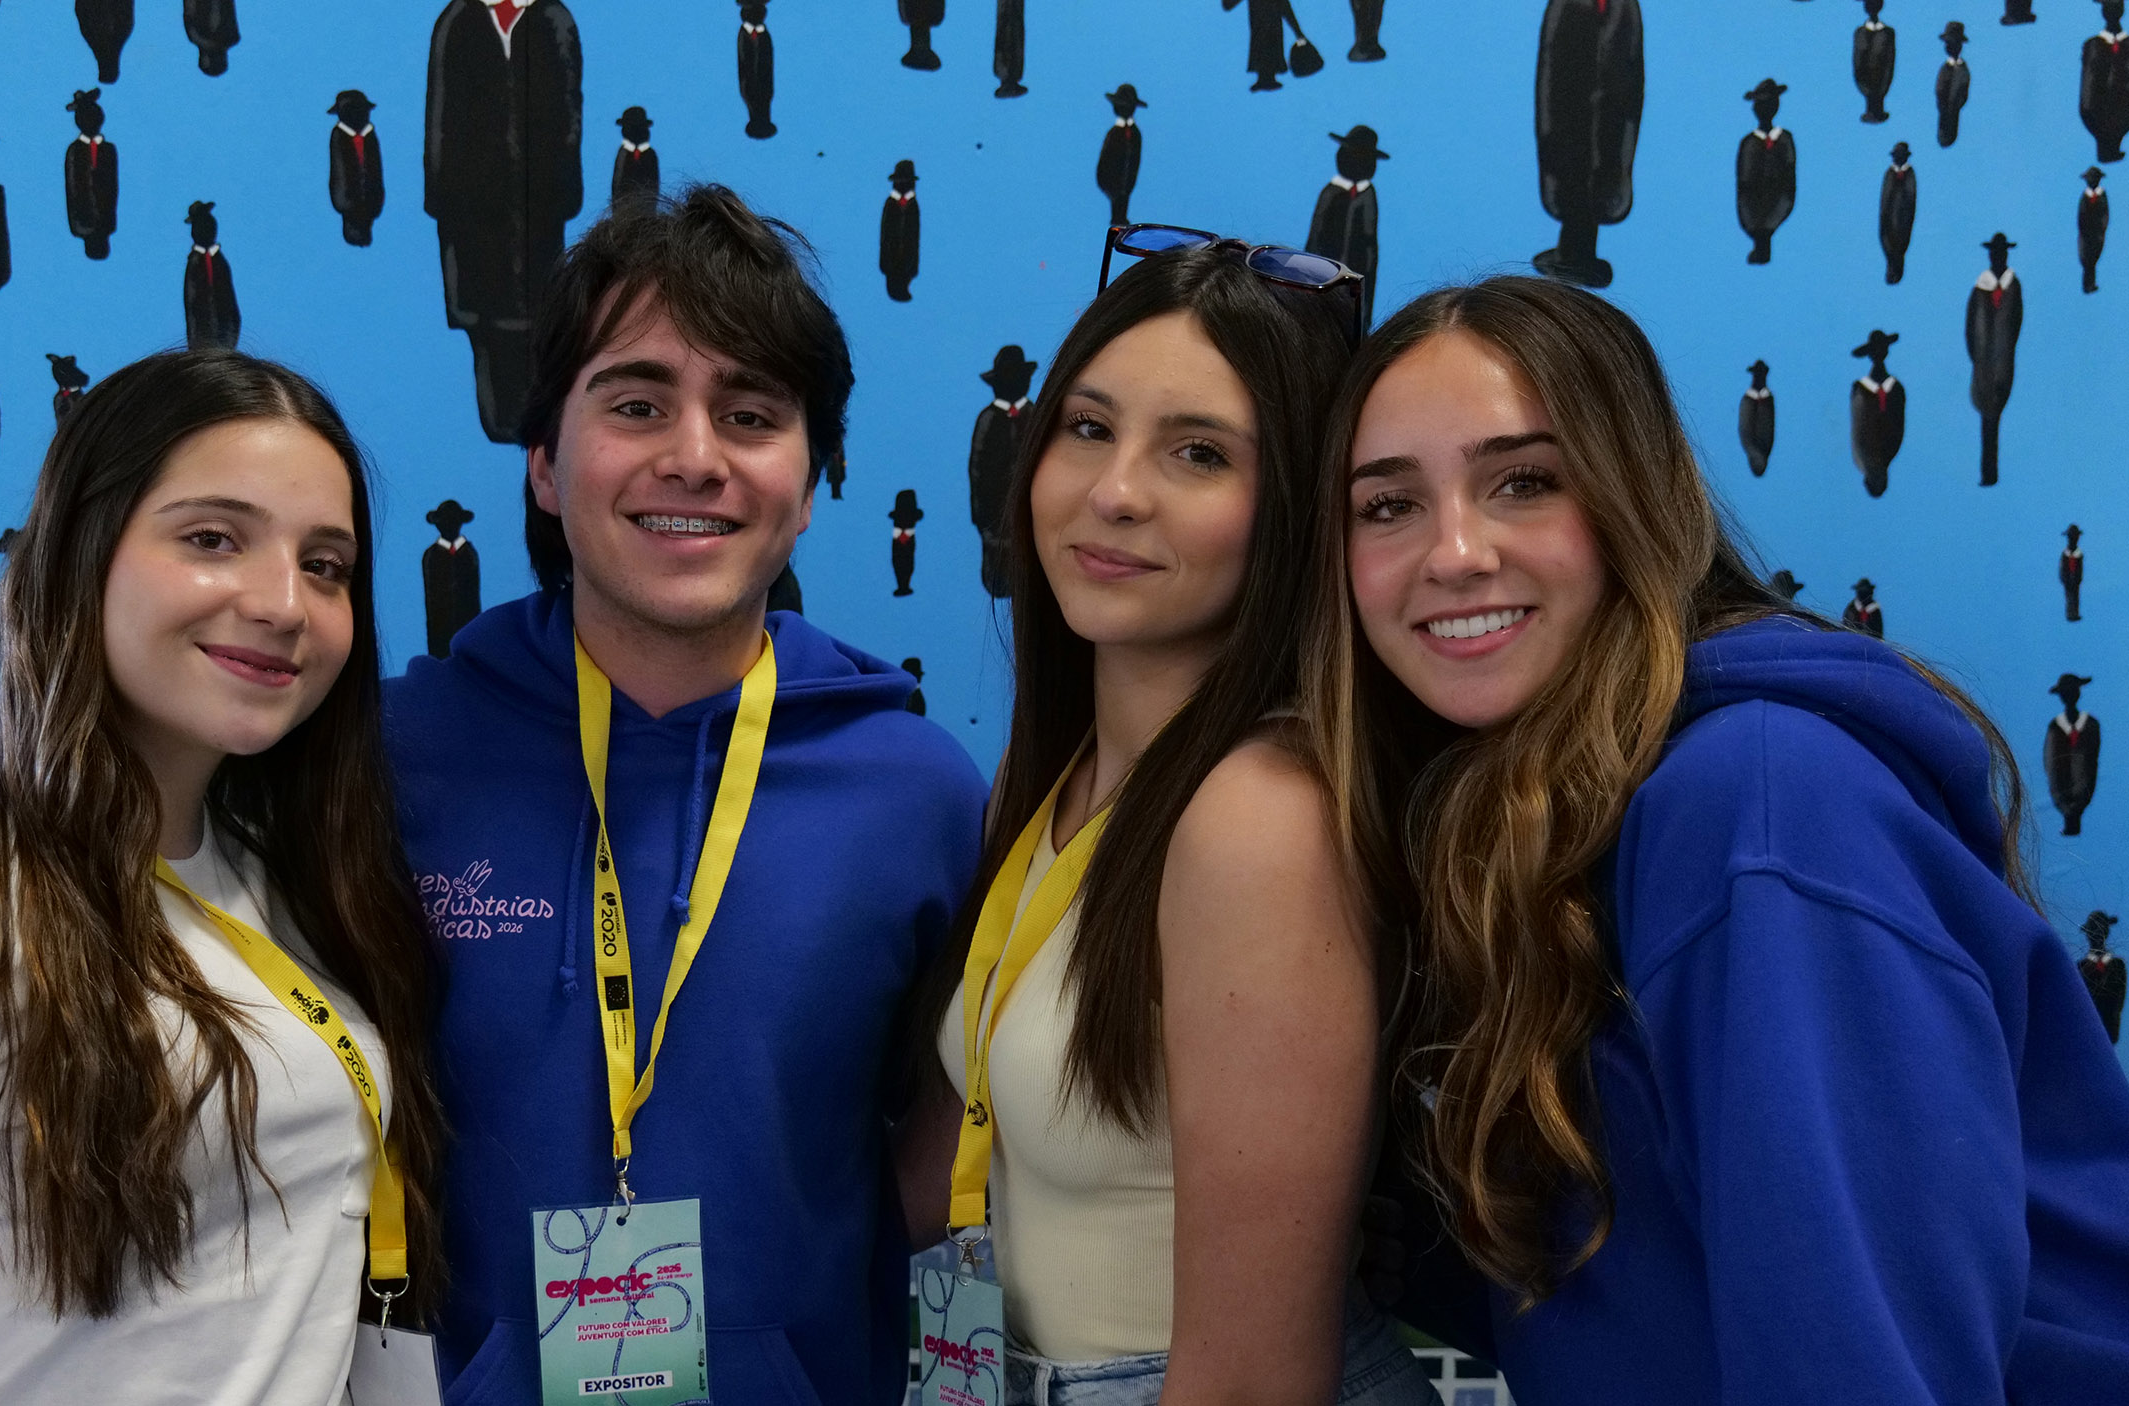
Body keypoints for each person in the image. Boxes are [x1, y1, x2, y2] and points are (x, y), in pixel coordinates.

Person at [1320, 275, 2129, 1402]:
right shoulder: (1538, 826)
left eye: (1525, 482)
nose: (1454, 551)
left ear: (1636, 499)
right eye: (1387, 504)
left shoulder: (1759, 808)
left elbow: (1859, 1363)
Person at [0, 349, 446, 1405]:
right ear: (81, 552)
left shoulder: (280, 884)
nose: (285, 602)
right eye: (213, 538)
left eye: (325, 564)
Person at [382, 185, 987, 1404]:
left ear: (808, 486)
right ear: (544, 462)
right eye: (637, 403)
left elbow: (949, 1152)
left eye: (751, 414)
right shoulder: (392, 756)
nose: (695, 457)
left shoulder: (915, 792)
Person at [902, 228, 1434, 1404]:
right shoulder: (1051, 773)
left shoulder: (1258, 818)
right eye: (1087, 427)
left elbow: (1253, 1376)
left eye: (1199, 452)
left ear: (1291, 507)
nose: (1115, 491)